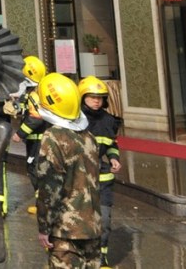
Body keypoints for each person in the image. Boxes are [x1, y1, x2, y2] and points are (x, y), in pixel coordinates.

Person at [32, 72, 102, 269]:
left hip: (65, 229)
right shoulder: (88, 137)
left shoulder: (53, 137)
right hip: (92, 227)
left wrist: (44, 227)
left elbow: (49, 187)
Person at [78, 76, 121, 268]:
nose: (96, 101)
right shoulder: (75, 119)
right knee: (80, 220)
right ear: (82, 98)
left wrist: (114, 158)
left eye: (100, 97)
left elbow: (112, 144)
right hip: (79, 178)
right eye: (91, 97)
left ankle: (101, 256)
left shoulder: (109, 121)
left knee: (104, 219)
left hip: (103, 178)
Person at [15, 54, 48, 215]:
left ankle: (42, 204)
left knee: (35, 169)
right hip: (38, 139)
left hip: (37, 140)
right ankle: (41, 202)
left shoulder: (35, 94)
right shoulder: (36, 91)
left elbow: (36, 118)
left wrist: (20, 133)